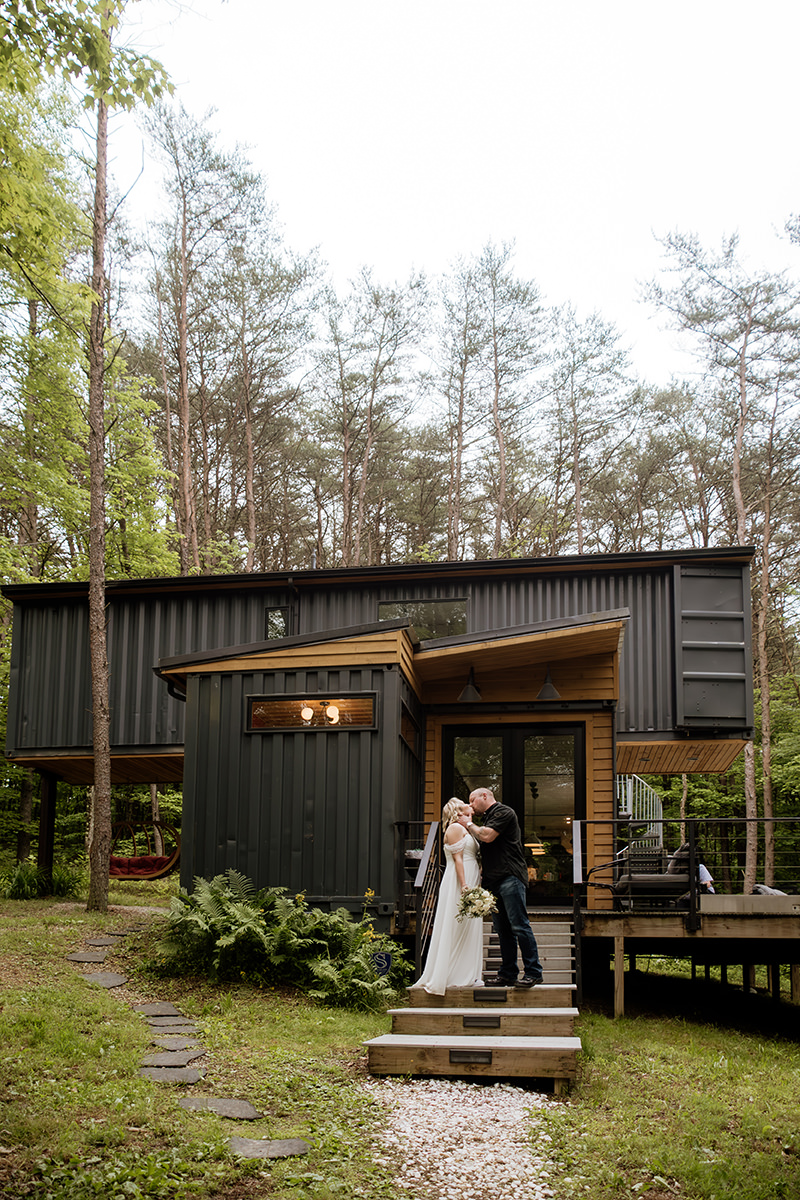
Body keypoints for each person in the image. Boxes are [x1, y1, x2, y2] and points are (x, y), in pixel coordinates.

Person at [458, 787, 543, 988]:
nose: (470, 805)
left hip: (510, 877)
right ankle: (508, 974)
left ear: (485, 796)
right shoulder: (487, 818)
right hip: (493, 881)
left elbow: (487, 836)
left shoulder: (503, 812)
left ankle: (533, 972)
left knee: (519, 926)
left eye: (472, 800)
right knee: (503, 931)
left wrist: (468, 824)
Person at [411, 799, 485, 995]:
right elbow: (458, 859)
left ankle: (470, 974)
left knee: (470, 925)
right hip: (459, 880)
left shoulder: (466, 828)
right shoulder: (453, 828)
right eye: (464, 802)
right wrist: (464, 885)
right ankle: (454, 975)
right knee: (458, 924)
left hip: (471, 876)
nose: (469, 803)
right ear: (457, 811)